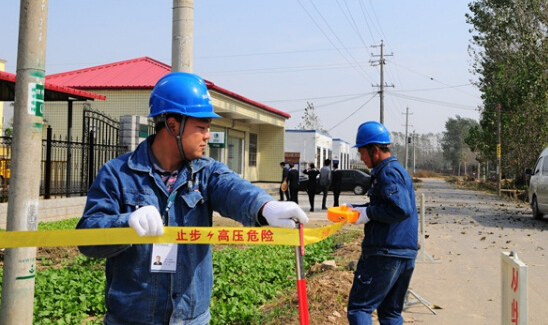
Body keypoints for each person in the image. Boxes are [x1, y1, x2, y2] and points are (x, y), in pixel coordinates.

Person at [76, 72, 308, 325]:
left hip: (190, 319)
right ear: (173, 125)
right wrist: (125, 223)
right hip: (132, 318)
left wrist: (265, 207)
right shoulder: (118, 174)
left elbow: (233, 189)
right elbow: (87, 239)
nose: (208, 135)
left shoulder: (206, 172)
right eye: (202, 127)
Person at [347, 121, 418, 325]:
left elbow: (400, 208)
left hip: (384, 253)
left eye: (362, 153)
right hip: (403, 253)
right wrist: (358, 208)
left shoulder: (387, 172)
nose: (361, 158)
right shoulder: (398, 171)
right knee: (390, 314)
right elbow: (388, 204)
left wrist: (367, 213)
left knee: (359, 308)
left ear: (375, 150)